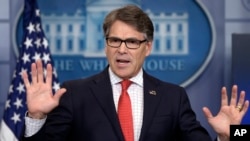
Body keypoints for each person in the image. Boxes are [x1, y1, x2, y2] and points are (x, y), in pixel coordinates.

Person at [22, 5, 249, 141]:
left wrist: (229, 136)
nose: (122, 49)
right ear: (106, 45)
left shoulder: (173, 97)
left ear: (147, 47)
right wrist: (36, 118)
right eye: (115, 40)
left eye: (131, 41)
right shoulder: (74, 93)